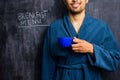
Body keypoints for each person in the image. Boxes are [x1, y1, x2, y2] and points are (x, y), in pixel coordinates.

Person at [42, 0, 120, 80]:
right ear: (65, 1)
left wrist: (92, 49)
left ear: (86, 0)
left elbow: (114, 61)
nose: (75, 0)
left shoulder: (101, 28)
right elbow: (47, 67)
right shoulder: (54, 28)